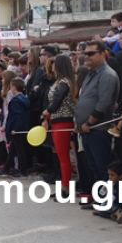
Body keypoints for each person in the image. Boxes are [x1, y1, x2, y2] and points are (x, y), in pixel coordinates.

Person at [74, 41, 119, 199]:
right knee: (93, 167)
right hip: (87, 130)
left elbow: (103, 103)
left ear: (103, 54)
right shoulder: (90, 73)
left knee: (102, 167)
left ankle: (107, 201)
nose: (87, 57)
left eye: (91, 53)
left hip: (98, 129)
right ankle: (99, 199)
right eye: (85, 53)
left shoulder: (107, 74)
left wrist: (89, 122)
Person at [41, 55, 77, 193]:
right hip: (58, 120)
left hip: (63, 120)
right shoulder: (63, 82)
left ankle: (65, 187)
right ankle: (64, 184)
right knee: (61, 156)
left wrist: (48, 111)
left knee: (63, 157)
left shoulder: (63, 83)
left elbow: (57, 100)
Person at [4, 78, 29, 177]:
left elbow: (16, 116)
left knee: (19, 150)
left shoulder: (16, 101)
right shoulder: (24, 98)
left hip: (17, 129)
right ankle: (7, 167)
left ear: (14, 87)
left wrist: (15, 129)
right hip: (23, 127)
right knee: (14, 149)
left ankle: (23, 170)